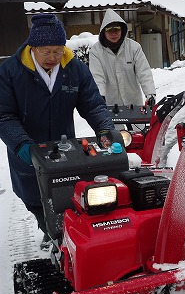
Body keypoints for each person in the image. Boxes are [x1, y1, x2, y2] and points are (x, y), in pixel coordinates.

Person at [0, 13, 114, 249]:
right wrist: (21, 144)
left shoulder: (74, 69)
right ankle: (48, 229)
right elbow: (4, 115)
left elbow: (92, 104)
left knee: (67, 193)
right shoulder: (11, 71)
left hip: (65, 149)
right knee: (35, 198)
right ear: (34, 47)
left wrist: (105, 128)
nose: (53, 57)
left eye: (58, 50)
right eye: (46, 51)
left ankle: (64, 235)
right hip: (27, 149)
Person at [89, 8, 156, 108]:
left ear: (122, 30)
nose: (114, 34)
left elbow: (144, 72)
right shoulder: (96, 51)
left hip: (133, 102)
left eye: (116, 30)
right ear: (103, 32)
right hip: (109, 104)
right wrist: (100, 96)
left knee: (138, 123)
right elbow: (97, 76)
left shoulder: (134, 47)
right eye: (109, 31)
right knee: (110, 124)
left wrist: (150, 93)